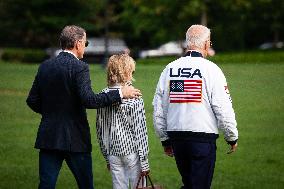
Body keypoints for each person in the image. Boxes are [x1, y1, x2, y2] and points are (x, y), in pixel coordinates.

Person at [26, 25, 141, 189]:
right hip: (75, 139)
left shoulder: (45, 65)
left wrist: (52, 112)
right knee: (86, 185)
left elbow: (32, 100)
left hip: (49, 135)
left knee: (46, 185)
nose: (85, 47)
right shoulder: (80, 67)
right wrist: (120, 93)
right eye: (85, 43)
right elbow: (90, 100)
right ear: (78, 43)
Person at [153, 24, 238, 189]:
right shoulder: (212, 70)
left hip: (177, 137)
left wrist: (165, 139)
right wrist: (231, 136)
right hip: (202, 138)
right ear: (206, 44)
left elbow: (159, 108)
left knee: (190, 184)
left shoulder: (169, 69)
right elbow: (223, 107)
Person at [96, 54, 150, 189]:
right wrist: (144, 162)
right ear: (127, 71)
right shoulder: (134, 95)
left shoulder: (102, 95)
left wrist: (106, 155)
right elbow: (140, 131)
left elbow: (100, 129)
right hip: (132, 152)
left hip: (113, 151)